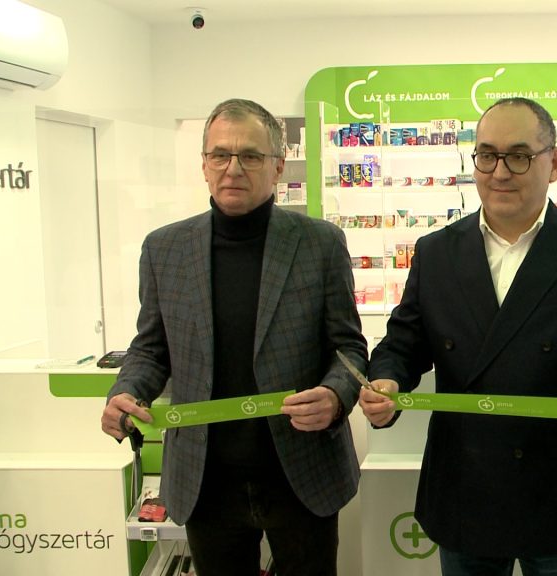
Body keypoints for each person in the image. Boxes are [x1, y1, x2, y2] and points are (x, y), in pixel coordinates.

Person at [359, 97, 557, 576]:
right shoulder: (437, 252)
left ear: (553, 163)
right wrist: (387, 382)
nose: (500, 172)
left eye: (519, 156)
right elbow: (403, 345)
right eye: (487, 155)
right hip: (465, 486)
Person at [100, 98, 367, 576]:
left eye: (250, 156)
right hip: (206, 478)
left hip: (300, 471)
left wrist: (334, 395)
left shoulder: (320, 243)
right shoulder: (164, 248)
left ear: (278, 166)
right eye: (220, 155)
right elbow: (151, 348)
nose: (233, 168)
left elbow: (348, 348)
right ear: (204, 164)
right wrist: (127, 389)